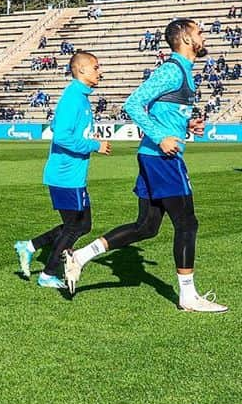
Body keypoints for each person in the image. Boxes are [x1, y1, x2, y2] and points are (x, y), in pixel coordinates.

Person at [64, 19, 227, 312]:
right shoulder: (171, 70)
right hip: (161, 158)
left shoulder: (184, 73)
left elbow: (164, 112)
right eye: (199, 32)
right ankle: (188, 297)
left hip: (154, 156)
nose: (204, 36)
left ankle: (80, 257)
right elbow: (133, 103)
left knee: (146, 226)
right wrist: (161, 137)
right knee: (187, 223)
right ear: (186, 39)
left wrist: (187, 124)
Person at [14, 51, 110, 289]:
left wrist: (87, 137)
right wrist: (94, 144)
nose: (100, 72)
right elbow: (62, 137)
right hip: (66, 175)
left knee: (82, 225)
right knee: (74, 227)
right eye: (96, 67)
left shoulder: (80, 97)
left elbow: (58, 125)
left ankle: (29, 246)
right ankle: (48, 273)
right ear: (81, 70)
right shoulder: (73, 97)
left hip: (73, 174)